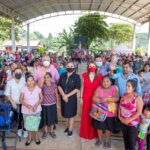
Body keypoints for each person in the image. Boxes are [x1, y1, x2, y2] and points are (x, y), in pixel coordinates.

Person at [92, 76, 119, 148]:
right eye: (104, 81)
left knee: (108, 127)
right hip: (99, 110)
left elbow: (116, 98)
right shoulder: (98, 88)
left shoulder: (114, 88)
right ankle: (100, 139)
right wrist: (100, 100)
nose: (105, 83)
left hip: (110, 111)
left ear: (110, 82)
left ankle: (107, 141)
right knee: (99, 127)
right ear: (101, 82)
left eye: (107, 81)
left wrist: (107, 99)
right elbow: (94, 98)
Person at [80, 61, 103, 140]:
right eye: (90, 66)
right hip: (86, 98)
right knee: (86, 115)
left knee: (95, 116)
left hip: (95, 98)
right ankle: (85, 133)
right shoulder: (84, 75)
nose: (92, 67)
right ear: (88, 67)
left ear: (96, 67)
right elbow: (82, 87)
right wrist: (81, 98)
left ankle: (94, 134)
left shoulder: (100, 76)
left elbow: (101, 88)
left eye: (93, 66)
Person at [58, 61, 81, 137]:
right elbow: (59, 85)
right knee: (66, 113)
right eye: (68, 66)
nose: (70, 67)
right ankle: (68, 126)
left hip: (71, 98)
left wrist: (67, 96)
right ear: (66, 67)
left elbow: (77, 88)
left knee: (71, 114)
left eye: (71, 66)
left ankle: (70, 128)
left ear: (74, 67)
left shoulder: (76, 76)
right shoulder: (63, 75)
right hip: (63, 97)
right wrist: (63, 95)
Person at [119, 79, 143, 150]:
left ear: (133, 88)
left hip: (132, 124)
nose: (126, 87)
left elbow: (139, 112)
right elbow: (120, 107)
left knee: (132, 143)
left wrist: (129, 120)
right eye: (126, 85)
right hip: (123, 122)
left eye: (129, 86)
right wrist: (120, 117)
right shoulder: (123, 95)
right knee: (125, 141)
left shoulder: (137, 98)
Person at [19, 74, 43, 146]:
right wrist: (27, 105)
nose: (30, 82)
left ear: (34, 80)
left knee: (36, 125)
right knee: (28, 125)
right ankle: (29, 138)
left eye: (32, 80)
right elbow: (20, 100)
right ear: (26, 81)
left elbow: (41, 98)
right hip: (26, 111)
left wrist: (36, 105)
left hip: (36, 109)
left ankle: (36, 138)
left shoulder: (38, 88)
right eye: (28, 80)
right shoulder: (23, 89)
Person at [4, 67, 27, 138]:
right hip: (14, 103)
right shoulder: (10, 82)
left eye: (20, 72)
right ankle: (19, 129)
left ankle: (25, 130)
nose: (18, 74)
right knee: (18, 117)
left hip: (24, 102)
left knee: (25, 117)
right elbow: (7, 94)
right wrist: (13, 102)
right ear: (13, 74)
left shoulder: (24, 81)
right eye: (17, 72)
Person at [41, 72, 59, 139]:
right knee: (45, 119)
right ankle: (45, 132)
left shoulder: (54, 85)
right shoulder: (42, 85)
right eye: (45, 77)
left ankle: (51, 131)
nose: (46, 79)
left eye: (48, 77)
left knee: (52, 119)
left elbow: (56, 95)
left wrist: (57, 104)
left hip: (52, 104)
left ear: (51, 78)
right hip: (44, 105)